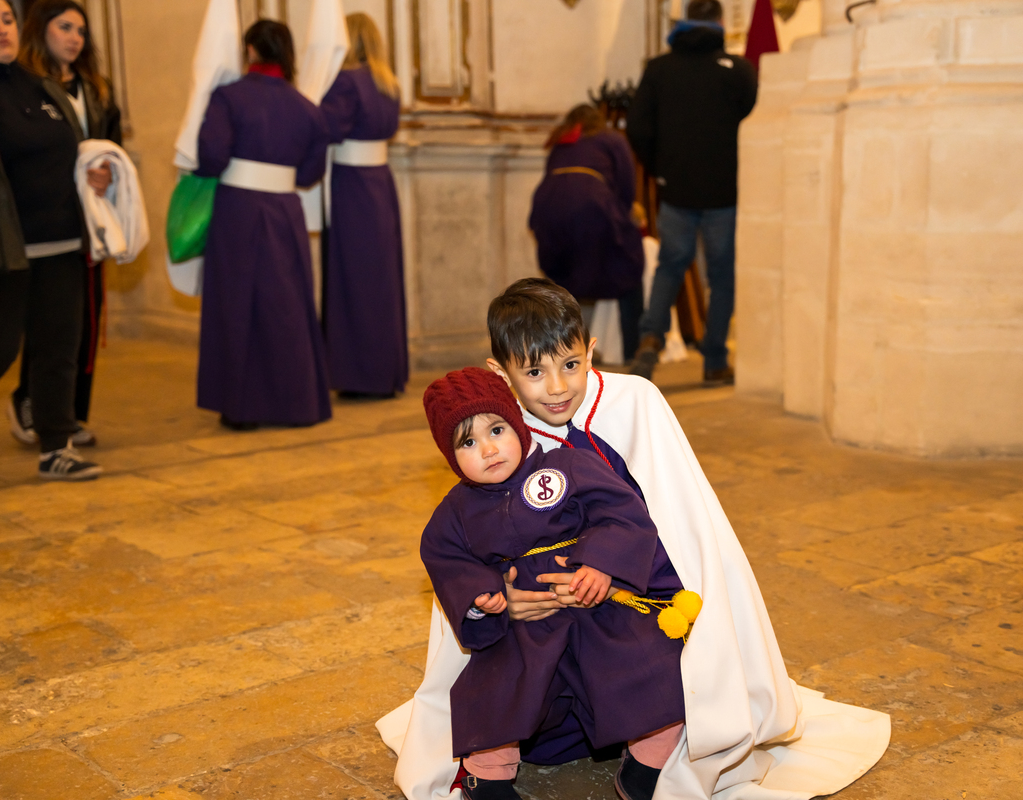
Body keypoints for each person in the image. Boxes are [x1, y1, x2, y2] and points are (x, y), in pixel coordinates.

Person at [377, 278, 889, 800]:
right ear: (502, 372)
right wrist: (497, 601)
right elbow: (462, 543)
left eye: (571, 365)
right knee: (503, 684)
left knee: (653, 670)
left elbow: (678, 513)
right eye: (534, 372)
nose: (556, 388)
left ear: (589, 349)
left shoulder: (634, 401)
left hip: (632, 592)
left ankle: (644, 759)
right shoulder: (500, 429)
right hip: (536, 617)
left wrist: (616, 572)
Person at [419, 366, 687, 800]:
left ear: (518, 424)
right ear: (450, 456)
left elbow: (620, 511)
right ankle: (487, 775)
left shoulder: (568, 465)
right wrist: (487, 597)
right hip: (527, 626)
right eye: (467, 442)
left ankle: (648, 760)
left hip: (595, 609)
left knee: (651, 661)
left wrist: (600, 565)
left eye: (497, 429)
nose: (488, 449)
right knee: (495, 686)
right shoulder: (456, 512)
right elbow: (444, 557)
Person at [0, 0, 103, 479]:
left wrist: (92, 176)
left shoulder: (40, 84)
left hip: (61, 241)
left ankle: (56, 447)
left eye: (7, 19)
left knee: (59, 347)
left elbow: (67, 153)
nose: (2, 29)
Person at [195, 19, 331, 430]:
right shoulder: (308, 109)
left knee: (236, 304)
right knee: (287, 308)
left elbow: (211, 156)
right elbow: (310, 172)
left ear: (250, 50)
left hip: (238, 208)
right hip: (284, 211)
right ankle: (296, 404)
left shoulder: (228, 97)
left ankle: (241, 407)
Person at [5, 0, 121, 448]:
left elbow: (111, 144)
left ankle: (71, 413)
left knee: (84, 320)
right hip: (42, 219)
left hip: (89, 216)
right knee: (44, 319)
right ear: (41, 31)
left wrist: (108, 170)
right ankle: (30, 400)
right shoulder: (24, 86)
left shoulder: (97, 89)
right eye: (65, 27)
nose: (75, 38)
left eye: (81, 31)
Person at [626, 0, 757, 385]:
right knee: (721, 276)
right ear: (720, 23)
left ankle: (650, 339)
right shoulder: (739, 71)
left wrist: (661, 168)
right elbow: (755, 129)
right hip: (725, 192)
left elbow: (638, 127)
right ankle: (715, 360)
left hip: (676, 189)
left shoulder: (660, 69)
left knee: (670, 266)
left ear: (682, 22)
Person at [317, 12, 407, 400]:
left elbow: (325, 127)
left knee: (353, 281)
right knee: (382, 282)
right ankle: (385, 373)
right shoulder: (390, 84)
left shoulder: (346, 81)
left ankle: (359, 375)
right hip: (380, 184)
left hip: (351, 185)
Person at [528, 104, 645, 362]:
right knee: (629, 266)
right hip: (592, 205)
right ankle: (634, 352)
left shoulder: (560, 141)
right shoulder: (611, 138)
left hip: (548, 206)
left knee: (563, 281)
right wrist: (623, 216)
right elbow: (627, 184)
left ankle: (563, 353)